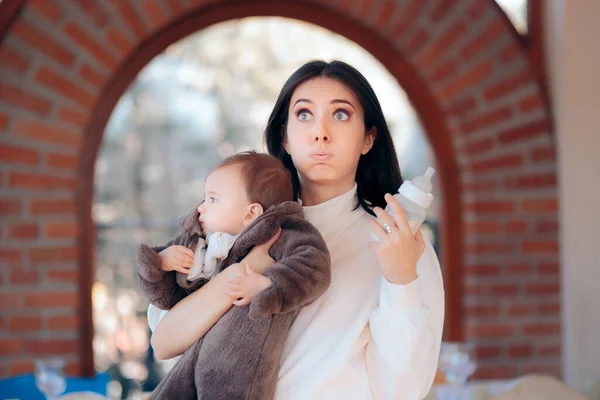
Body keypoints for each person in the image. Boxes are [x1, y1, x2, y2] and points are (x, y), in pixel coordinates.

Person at [149, 60, 445, 400]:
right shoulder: (237, 229)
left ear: (368, 138)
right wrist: (244, 274)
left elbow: (404, 391)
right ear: (285, 138)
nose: (320, 132)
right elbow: (164, 341)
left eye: (340, 114)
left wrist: (401, 280)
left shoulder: (402, 245)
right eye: (304, 114)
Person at [137, 151, 330, 399]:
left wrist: (269, 284)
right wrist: (161, 263)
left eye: (213, 200)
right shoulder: (198, 243)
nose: (200, 208)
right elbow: (166, 300)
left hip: (238, 365)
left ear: (251, 213)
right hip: (191, 356)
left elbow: (314, 268)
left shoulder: (281, 235)